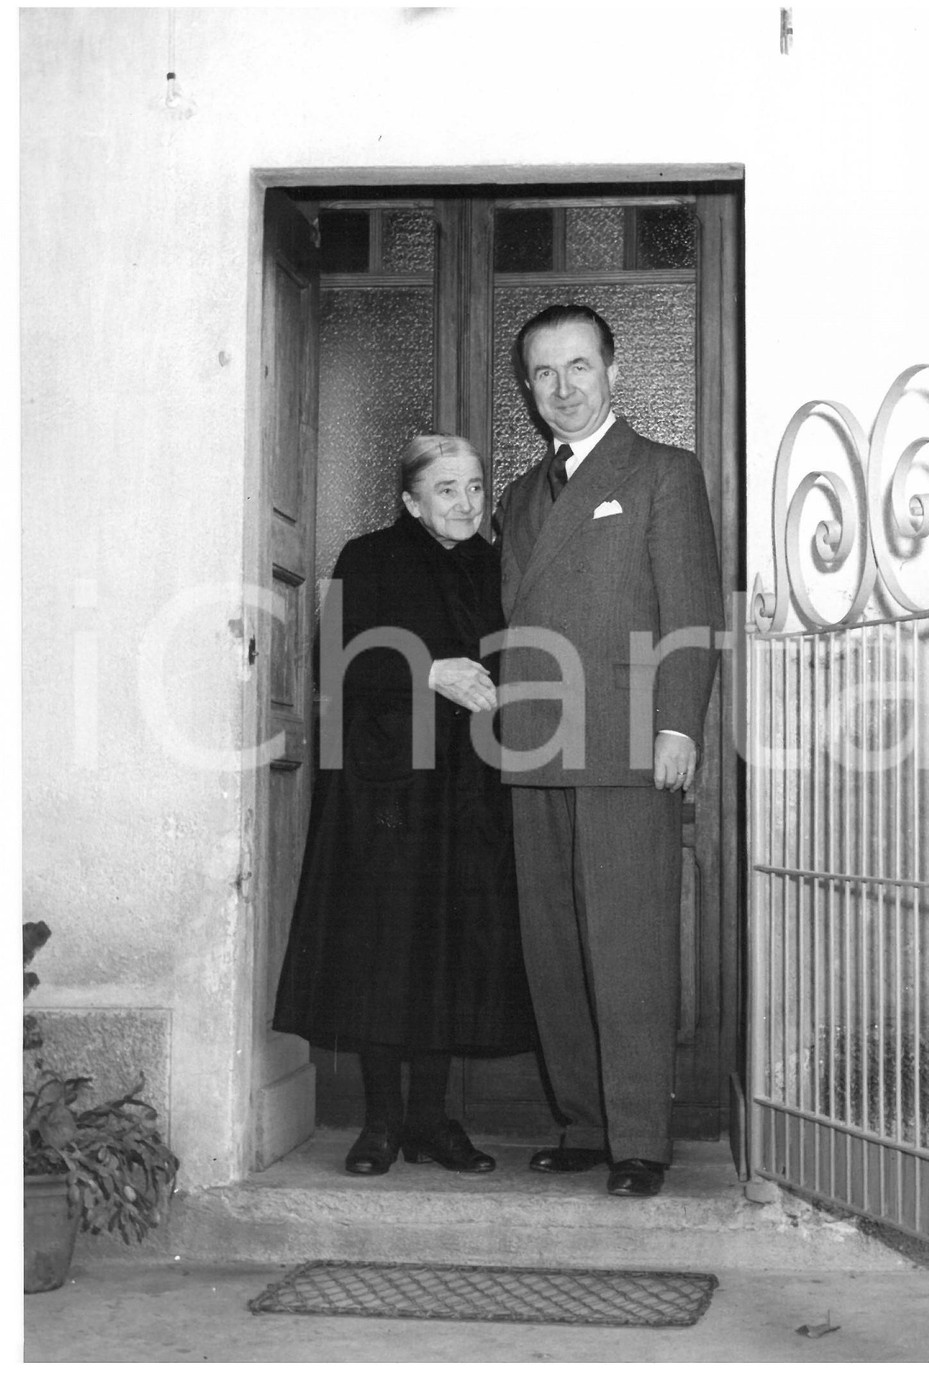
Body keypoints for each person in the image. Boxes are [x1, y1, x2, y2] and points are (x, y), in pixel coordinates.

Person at [493, 304, 725, 1198]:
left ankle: (640, 1140)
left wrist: (679, 727)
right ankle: (586, 1124)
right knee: (556, 950)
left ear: (613, 371)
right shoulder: (518, 496)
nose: (562, 388)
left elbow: (693, 611)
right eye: (544, 374)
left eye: (579, 367)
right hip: (536, 745)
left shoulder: (663, 471)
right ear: (527, 387)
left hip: (629, 745)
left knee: (627, 946)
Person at [273, 434, 535, 1177]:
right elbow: (339, 658)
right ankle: (380, 1123)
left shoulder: (495, 566)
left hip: (469, 785)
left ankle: (432, 1121)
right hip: (385, 784)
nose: (465, 503)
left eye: (476, 488)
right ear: (411, 500)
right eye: (446, 489)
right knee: (383, 951)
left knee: (449, 951)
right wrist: (432, 670)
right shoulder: (368, 556)